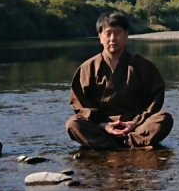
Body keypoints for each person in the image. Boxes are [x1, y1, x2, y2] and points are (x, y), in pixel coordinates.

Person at [65, 11, 173, 150]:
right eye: (108, 33)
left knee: (164, 119)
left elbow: (154, 99)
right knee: (73, 124)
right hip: (102, 128)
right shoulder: (88, 68)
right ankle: (129, 145)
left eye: (118, 33)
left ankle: (115, 146)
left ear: (126, 35)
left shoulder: (141, 65)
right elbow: (81, 105)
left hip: (136, 126)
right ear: (100, 37)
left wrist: (134, 123)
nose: (113, 38)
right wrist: (104, 125)